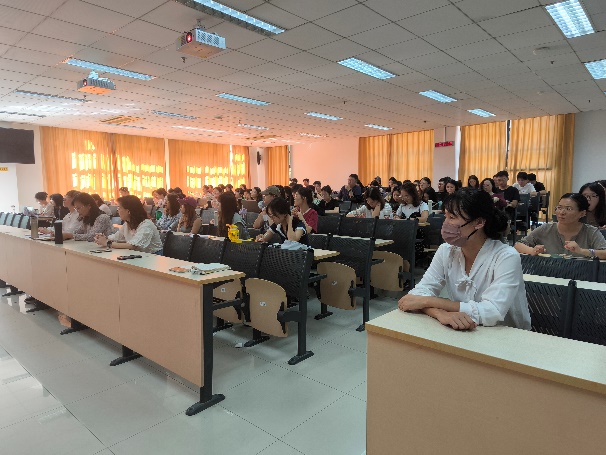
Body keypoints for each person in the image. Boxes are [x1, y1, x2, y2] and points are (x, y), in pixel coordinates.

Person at [398, 188, 530, 330]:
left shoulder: (506, 256)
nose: (445, 223)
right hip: (464, 331)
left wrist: (429, 301)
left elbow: (492, 311)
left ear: (479, 222)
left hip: (507, 335)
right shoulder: (446, 250)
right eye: (445, 216)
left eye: (452, 217)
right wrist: (441, 314)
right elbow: (417, 294)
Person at [514, 193, 606, 258]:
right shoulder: (546, 228)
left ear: (582, 213)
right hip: (549, 274)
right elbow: (518, 245)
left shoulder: (591, 232)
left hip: (581, 275)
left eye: (568, 209)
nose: (561, 212)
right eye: (559, 207)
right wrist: (532, 251)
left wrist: (582, 251)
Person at [95, 195, 163, 254]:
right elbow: (117, 237)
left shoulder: (147, 225)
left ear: (128, 211)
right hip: (139, 256)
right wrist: (104, 238)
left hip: (154, 257)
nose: (117, 210)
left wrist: (107, 243)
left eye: (119, 208)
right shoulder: (127, 224)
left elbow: (133, 246)